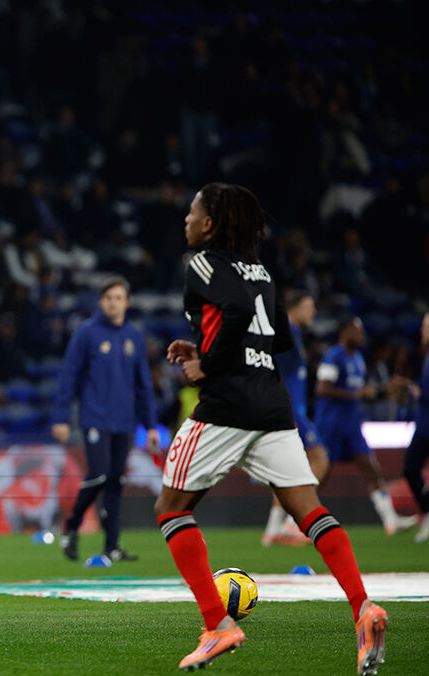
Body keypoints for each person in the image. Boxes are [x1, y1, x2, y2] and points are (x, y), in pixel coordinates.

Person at [160, 183, 387, 673]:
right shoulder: (260, 270)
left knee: (171, 508)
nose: (187, 218)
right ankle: (363, 608)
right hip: (273, 404)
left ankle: (217, 625)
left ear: (210, 223)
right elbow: (277, 336)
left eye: (193, 211)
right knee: (309, 510)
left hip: (227, 404)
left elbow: (238, 314)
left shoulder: (202, 263)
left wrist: (207, 365)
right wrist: (206, 348)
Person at [51, 276, 159, 563]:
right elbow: (69, 377)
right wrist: (61, 418)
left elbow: (143, 385)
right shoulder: (86, 333)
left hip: (124, 421)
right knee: (99, 475)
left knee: (115, 482)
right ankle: (71, 525)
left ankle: (112, 546)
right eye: (108, 298)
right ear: (101, 301)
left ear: (127, 302)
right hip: (95, 418)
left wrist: (150, 425)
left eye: (118, 298)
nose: (113, 303)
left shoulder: (134, 336)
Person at [315, 317, 417, 535]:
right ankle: (292, 519)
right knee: (319, 474)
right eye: (357, 330)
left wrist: (381, 391)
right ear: (345, 331)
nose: (361, 335)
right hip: (332, 424)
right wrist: (356, 393)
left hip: (352, 425)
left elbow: (360, 392)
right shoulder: (334, 356)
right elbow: (322, 388)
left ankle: (391, 520)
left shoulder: (358, 358)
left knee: (371, 468)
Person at [263, 290, 331, 545]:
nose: (313, 311)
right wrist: (284, 412)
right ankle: (293, 522)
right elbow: (275, 375)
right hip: (291, 410)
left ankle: (273, 530)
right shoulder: (287, 335)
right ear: (294, 309)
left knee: (287, 472)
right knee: (319, 459)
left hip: (292, 409)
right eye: (308, 306)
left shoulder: (294, 335)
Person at [405, 313, 429, 543]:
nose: (423, 330)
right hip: (423, 425)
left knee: (411, 468)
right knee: (410, 469)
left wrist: (420, 393)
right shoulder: (426, 355)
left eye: (426, 326)